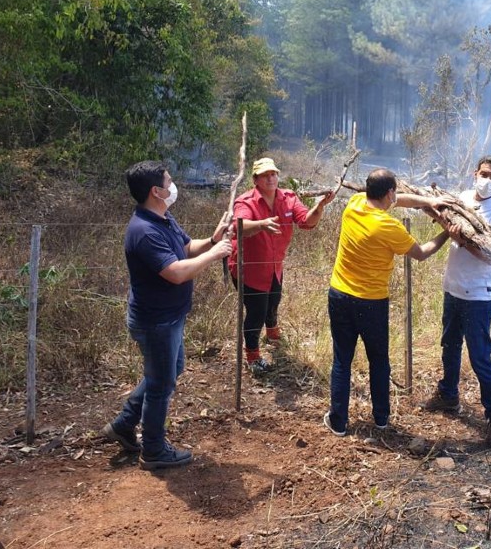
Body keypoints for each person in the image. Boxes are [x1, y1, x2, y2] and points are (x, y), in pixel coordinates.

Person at [102, 160, 233, 470]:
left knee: (170, 370)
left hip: (169, 317)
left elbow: (185, 249)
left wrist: (212, 240)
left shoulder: (162, 218)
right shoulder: (144, 231)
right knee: (161, 385)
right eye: (169, 182)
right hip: (155, 322)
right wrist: (215, 254)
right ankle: (154, 450)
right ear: (156, 191)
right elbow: (175, 272)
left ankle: (123, 424)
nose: (174, 186)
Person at [324, 168, 451, 437]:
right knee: (379, 360)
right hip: (371, 303)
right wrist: (447, 232)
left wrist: (429, 201)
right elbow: (422, 253)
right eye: (394, 193)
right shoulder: (388, 227)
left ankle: (338, 422)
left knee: (342, 360)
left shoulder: (355, 203)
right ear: (389, 193)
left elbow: (398, 200)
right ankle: (381, 419)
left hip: (339, 295)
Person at [421, 155, 491, 447]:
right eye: (484, 174)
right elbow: (445, 220)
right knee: (449, 345)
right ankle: (448, 395)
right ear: (475, 173)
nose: (487, 180)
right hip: (454, 288)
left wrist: (462, 240)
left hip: (479, 294)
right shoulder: (462, 199)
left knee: (480, 356)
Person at [229, 157, 334, 373]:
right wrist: (261, 225)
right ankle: (253, 357)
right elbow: (238, 226)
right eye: (265, 175)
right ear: (255, 179)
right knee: (256, 312)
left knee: (274, 300)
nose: (270, 178)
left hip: (275, 266)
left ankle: (272, 333)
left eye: (273, 174)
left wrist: (319, 206)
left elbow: (306, 221)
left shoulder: (288, 198)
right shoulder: (245, 201)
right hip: (249, 269)